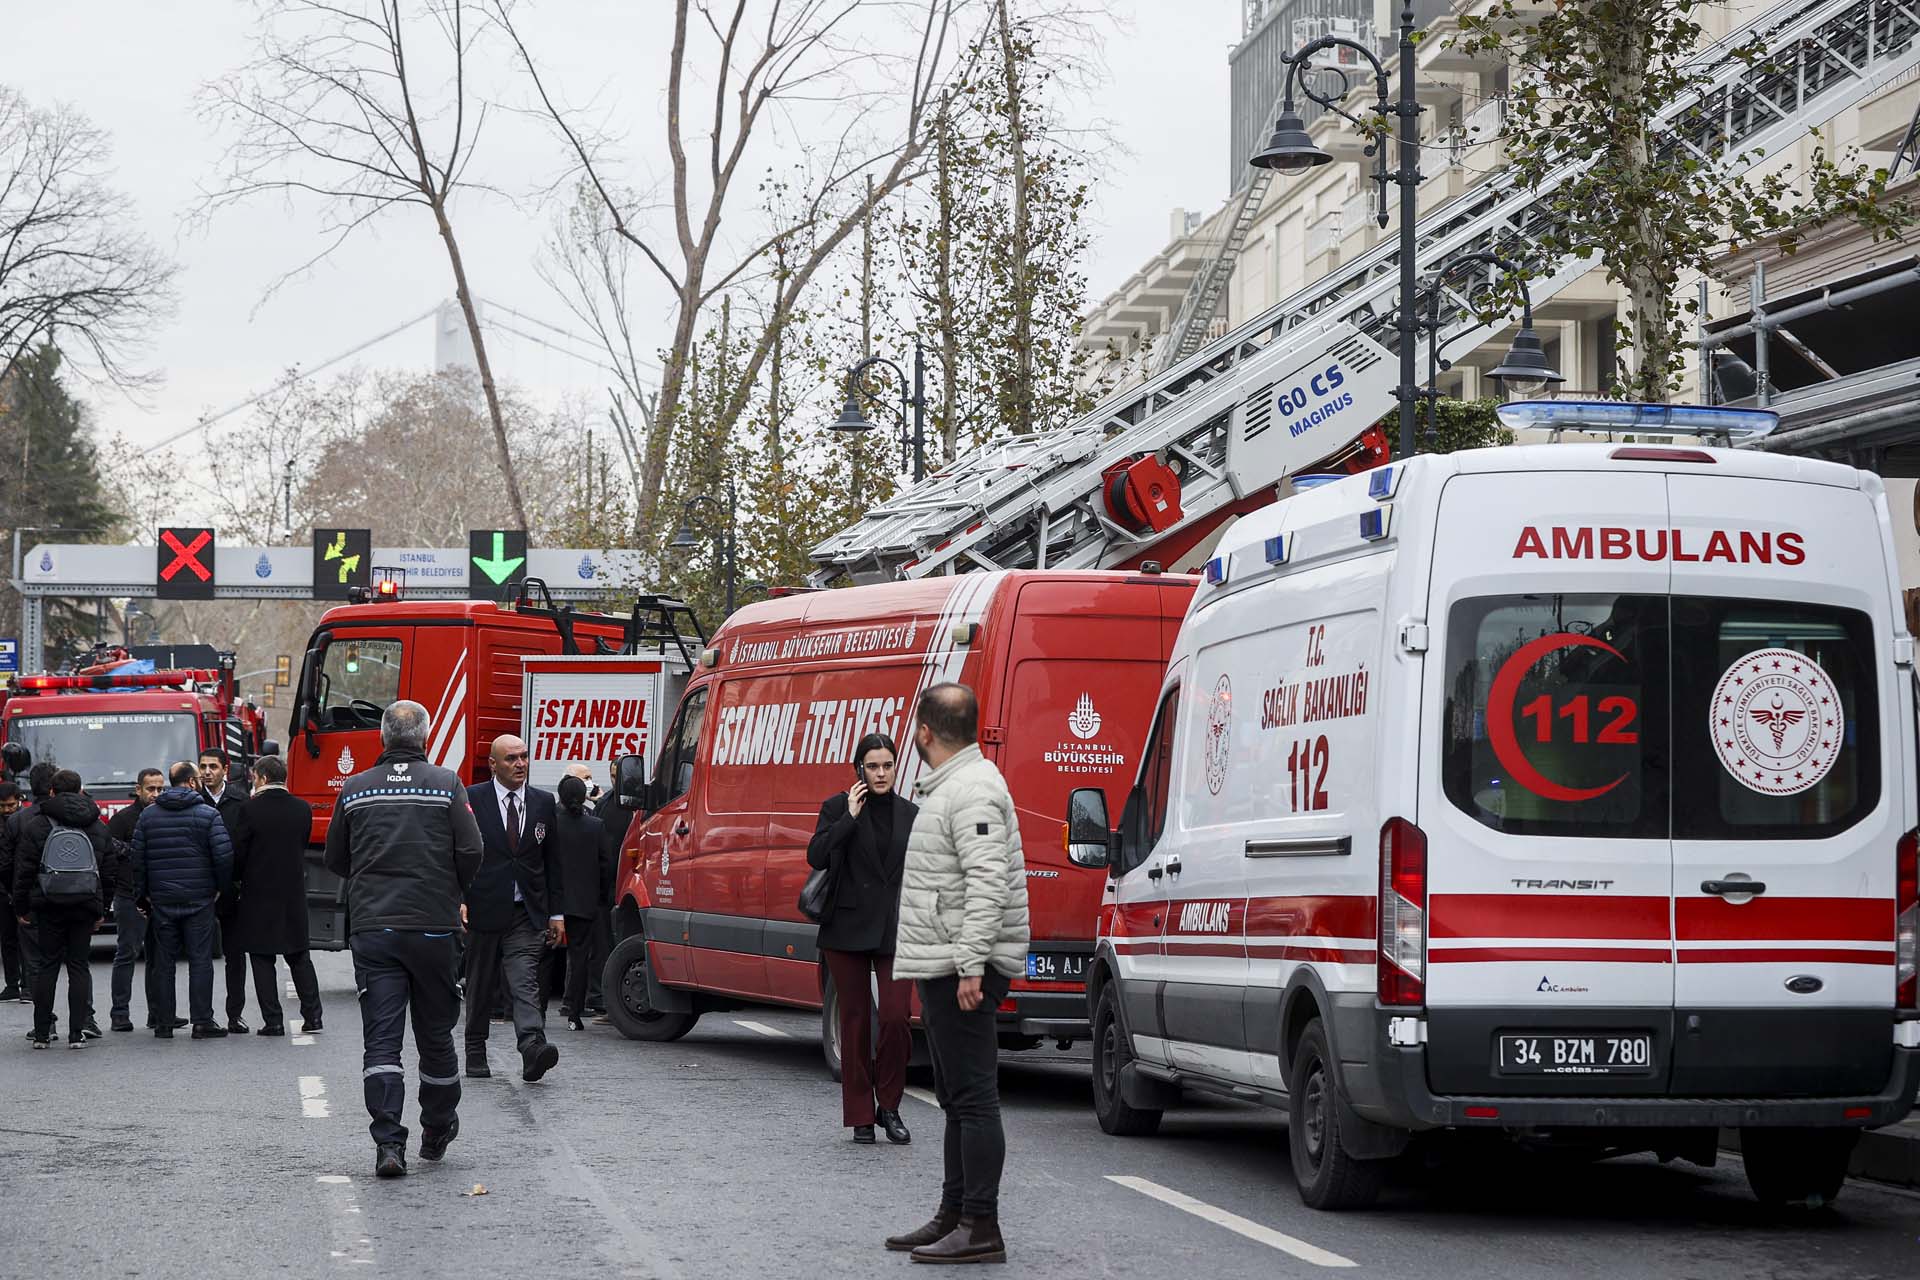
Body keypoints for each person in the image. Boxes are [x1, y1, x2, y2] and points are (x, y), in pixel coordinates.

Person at [886, 683, 1030, 1265]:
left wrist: (971, 963)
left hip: (962, 966)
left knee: (973, 1098)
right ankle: (954, 1213)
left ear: (925, 732)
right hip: (946, 960)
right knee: (955, 1098)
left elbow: (987, 881)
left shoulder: (972, 789)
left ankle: (980, 1225)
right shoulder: (954, 784)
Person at [324, 700, 482, 1179]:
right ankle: (437, 1127)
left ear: (382, 738)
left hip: (375, 928)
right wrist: (451, 890)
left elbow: (335, 857)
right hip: (434, 926)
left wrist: (370, 879)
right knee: (435, 1035)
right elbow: (471, 848)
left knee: (382, 1042)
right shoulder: (446, 784)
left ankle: (389, 1144)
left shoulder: (355, 788)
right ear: (425, 738)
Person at [807, 731, 917, 1146]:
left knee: (896, 1018)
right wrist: (849, 819)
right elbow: (816, 855)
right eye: (873, 766)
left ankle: (889, 1105)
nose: (881, 773)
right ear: (859, 770)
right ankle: (860, 1116)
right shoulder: (838, 807)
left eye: (887, 765)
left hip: (897, 928)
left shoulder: (912, 814)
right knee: (854, 1023)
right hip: (846, 927)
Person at [462, 735, 562, 1083]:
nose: (520, 764)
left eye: (524, 756)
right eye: (511, 758)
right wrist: (458, 898)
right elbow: (456, 853)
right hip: (483, 908)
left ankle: (533, 1047)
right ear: (493, 764)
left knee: (524, 981)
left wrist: (556, 913)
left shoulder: (543, 802)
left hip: (525, 912)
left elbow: (553, 861)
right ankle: (475, 1049)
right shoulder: (472, 798)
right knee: (480, 983)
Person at [12, 769, 118, 1048]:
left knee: (47, 966)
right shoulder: (96, 824)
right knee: (79, 967)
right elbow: (109, 872)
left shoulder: (37, 824)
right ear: (81, 790)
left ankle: (42, 1033)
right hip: (84, 903)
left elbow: (24, 871)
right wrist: (102, 908)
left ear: (51, 792)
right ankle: (77, 1033)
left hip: (49, 904)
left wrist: (21, 907)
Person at [133, 761, 234, 1039]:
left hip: (162, 900)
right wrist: (220, 888)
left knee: (163, 963)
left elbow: (137, 859)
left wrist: (143, 895)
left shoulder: (148, 816)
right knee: (200, 961)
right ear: (191, 782)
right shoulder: (208, 814)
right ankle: (202, 1021)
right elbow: (224, 856)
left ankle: (164, 1023)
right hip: (199, 899)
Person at [232, 756, 322, 1036]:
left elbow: (239, 852)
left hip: (258, 892)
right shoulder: (302, 809)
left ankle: (273, 1021)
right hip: (293, 890)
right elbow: (302, 843)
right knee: (299, 954)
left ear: (261, 777)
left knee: (262, 957)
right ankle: (313, 1016)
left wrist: (237, 878)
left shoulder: (249, 809)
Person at [106, 769, 169, 1032]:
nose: (156, 794)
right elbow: (107, 850)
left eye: (160, 789)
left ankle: (159, 1013)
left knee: (159, 957)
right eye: (150, 789)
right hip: (129, 895)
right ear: (138, 789)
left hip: (160, 895)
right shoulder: (122, 819)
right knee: (127, 953)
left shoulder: (165, 816)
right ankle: (120, 1013)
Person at [549, 776, 609, 1032]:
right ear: (584, 797)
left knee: (544, 958)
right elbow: (605, 865)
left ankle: (537, 1012)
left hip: (553, 900)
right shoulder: (596, 826)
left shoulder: (552, 824)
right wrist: (600, 896)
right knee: (580, 958)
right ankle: (574, 1013)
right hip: (584, 902)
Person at [199, 748, 251, 1033]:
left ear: (225, 769)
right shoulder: (195, 801)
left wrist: (240, 883)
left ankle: (235, 1014)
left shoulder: (240, 801)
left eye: (213, 767)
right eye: (203, 767)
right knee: (200, 957)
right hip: (202, 889)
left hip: (232, 889)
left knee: (235, 955)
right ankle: (203, 1016)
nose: (207, 772)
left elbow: (247, 845)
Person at [3, 763, 57, 1028]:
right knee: (77, 964)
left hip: (31, 898)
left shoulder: (18, 821)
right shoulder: (75, 815)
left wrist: (17, 898)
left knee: (35, 962)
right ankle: (84, 1021)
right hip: (70, 896)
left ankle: (44, 1024)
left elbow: (6, 866)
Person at [0, 780, 23, 1001]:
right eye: (2, 806)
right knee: (7, 938)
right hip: (2, 888)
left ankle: (28, 984)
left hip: (22, 886)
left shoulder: (26, 821)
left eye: (10, 805)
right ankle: (12, 983)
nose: (7, 810)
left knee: (27, 938)